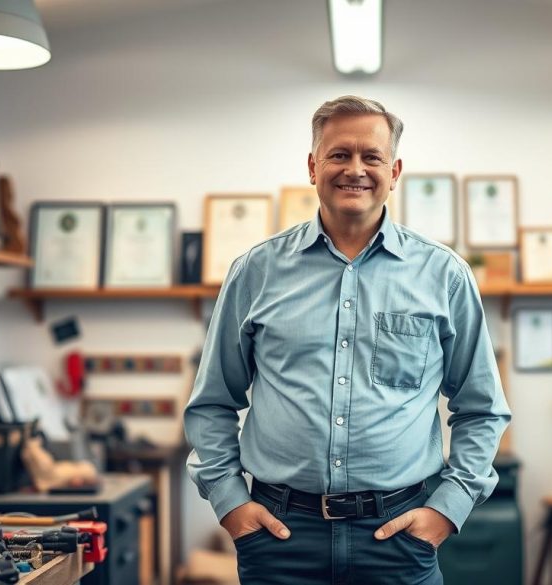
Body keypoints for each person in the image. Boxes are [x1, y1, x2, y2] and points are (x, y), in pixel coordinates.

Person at [185, 95, 511, 584]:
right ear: (313, 166)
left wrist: (447, 509)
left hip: (399, 539)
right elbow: (212, 403)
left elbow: (482, 409)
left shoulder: (444, 276)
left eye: (371, 156)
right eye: (339, 154)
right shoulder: (255, 272)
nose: (354, 169)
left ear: (394, 170)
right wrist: (231, 504)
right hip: (280, 540)